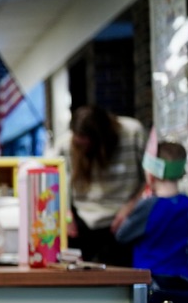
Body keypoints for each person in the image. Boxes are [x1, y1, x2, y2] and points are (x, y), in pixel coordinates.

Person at [54, 105, 146, 265]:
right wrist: (65, 213)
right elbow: (55, 182)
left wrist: (130, 207)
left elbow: (149, 179)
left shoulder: (132, 132)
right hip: (83, 221)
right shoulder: (65, 144)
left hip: (123, 221)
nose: (83, 146)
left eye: (88, 142)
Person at [115, 141, 188, 288]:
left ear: (151, 173)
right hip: (186, 281)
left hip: (151, 280)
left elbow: (122, 235)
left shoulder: (147, 205)